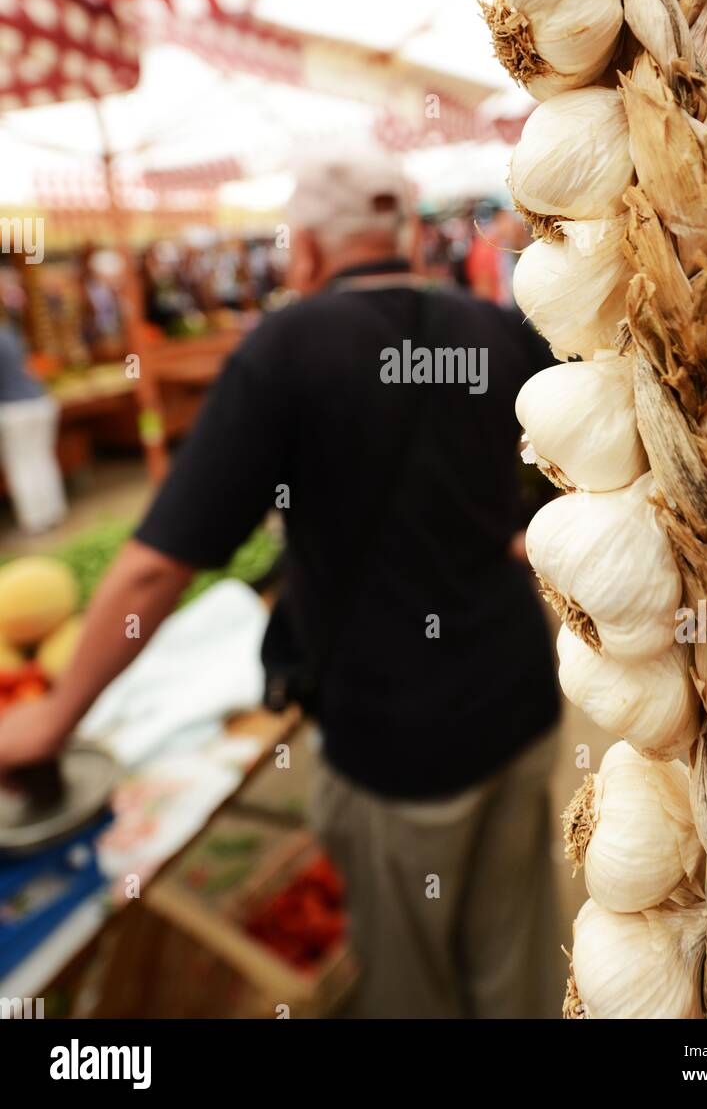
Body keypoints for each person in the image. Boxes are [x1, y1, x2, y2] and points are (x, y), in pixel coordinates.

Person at [0, 152, 563, 1019]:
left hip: (396, 738)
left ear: (302, 250)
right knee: (517, 961)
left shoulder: (285, 351)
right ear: (406, 235)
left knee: (415, 987)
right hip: (522, 695)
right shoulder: (494, 328)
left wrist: (55, 717)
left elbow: (157, 566)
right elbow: (567, 473)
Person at [0, 319, 67, 533]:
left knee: (22, 464)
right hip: (40, 401)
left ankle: (34, 521)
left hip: (15, 409)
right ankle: (54, 511)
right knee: (41, 458)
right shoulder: (8, 333)